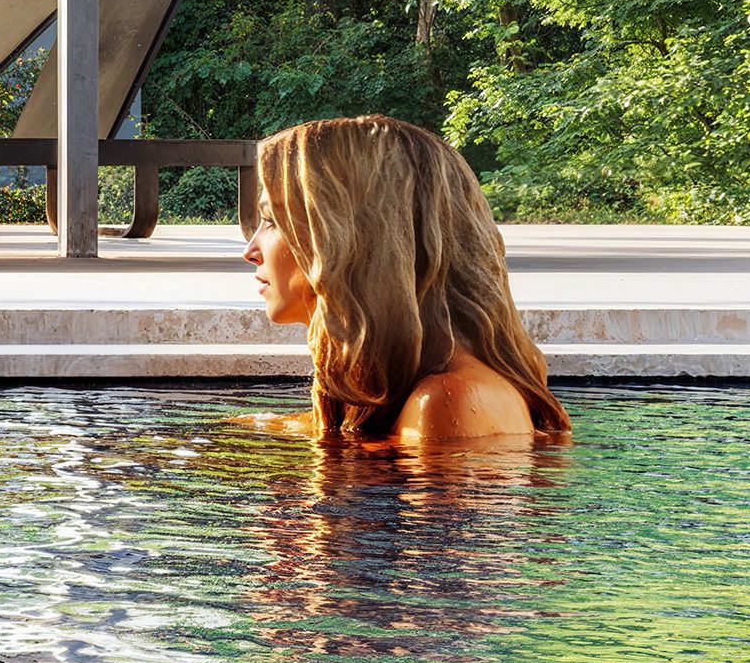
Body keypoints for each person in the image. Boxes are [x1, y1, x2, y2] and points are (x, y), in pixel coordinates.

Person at [241, 114, 569, 447]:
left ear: (356, 238)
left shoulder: (447, 401)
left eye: (272, 221)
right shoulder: (394, 386)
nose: (250, 251)